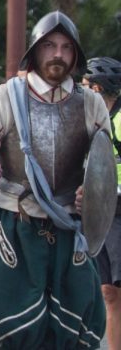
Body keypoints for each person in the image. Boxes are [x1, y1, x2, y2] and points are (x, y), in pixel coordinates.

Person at [0, 12, 109, 349]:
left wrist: (89, 195)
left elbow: (102, 173)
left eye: (66, 47)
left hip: (70, 232)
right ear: (34, 51)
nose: (58, 54)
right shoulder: (3, 98)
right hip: (12, 228)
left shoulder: (91, 104)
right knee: (17, 330)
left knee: (77, 326)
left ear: (75, 54)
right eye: (49, 45)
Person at [83, 57, 121, 350]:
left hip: (118, 208)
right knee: (108, 290)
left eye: (85, 85)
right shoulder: (88, 119)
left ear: (98, 88)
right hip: (100, 209)